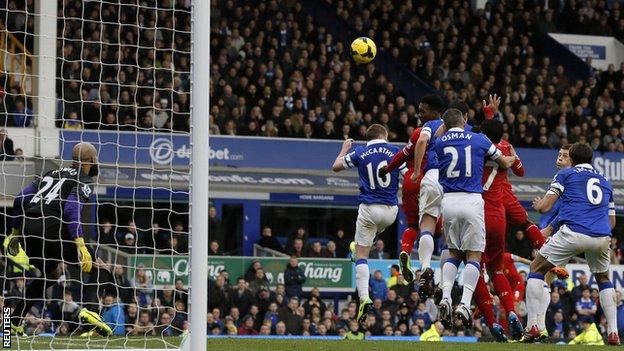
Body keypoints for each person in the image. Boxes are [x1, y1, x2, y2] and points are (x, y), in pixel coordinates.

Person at [4, 142, 112, 336]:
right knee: (101, 267)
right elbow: (71, 209)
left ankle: (12, 322)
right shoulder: (84, 179)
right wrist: (80, 244)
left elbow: (20, 198)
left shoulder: (50, 174)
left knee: (50, 274)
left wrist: (14, 233)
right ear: (92, 160)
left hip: (28, 232)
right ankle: (92, 313)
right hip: (53, 232)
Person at [528, 143, 619, 345]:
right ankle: (613, 333)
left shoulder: (566, 175)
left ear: (572, 158)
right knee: (603, 278)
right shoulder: (606, 181)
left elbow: (544, 207)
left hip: (574, 232)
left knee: (537, 268)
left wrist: (538, 205)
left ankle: (533, 326)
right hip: (602, 236)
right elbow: (612, 222)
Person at [434, 109, 515, 327]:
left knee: (452, 252)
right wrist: (512, 157)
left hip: (449, 201)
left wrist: (443, 128)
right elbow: (504, 162)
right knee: (474, 255)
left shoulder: (440, 142)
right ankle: (465, 303)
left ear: (445, 124)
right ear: (465, 121)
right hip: (472, 200)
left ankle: (446, 296)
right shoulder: (478, 139)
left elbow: (440, 135)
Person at [332, 124, 404, 325]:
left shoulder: (361, 152)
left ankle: (364, 297)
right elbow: (409, 176)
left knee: (361, 255)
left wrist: (344, 149)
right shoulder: (395, 151)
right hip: (391, 210)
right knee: (374, 232)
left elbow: (335, 166)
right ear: (385, 135)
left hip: (369, 208)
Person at [380, 94, 444, 283]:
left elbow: (403, 154)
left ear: (434, 112)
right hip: (433, 182)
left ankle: (406, 251)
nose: (419, 115)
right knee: (436, 230)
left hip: (411, 181)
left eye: (422, 112)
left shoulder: (420, 132)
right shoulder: (451, 132)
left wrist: (388, 168)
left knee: (414, 225)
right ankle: (430, 272)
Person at [473, 116, 525, 340]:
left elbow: (478, 137)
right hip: (498, 216)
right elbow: (519, 169)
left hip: (476, 213)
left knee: (473, 269)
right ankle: (511, 312)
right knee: (495, 269)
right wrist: (512, 155)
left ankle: (493, 323)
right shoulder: (503, 148)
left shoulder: (474, 148)